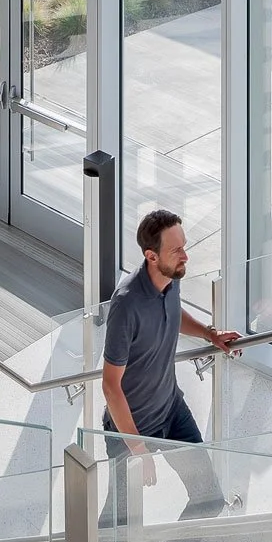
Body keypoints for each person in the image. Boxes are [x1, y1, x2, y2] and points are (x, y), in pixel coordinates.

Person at [102, 209, 241, 514]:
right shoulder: (126, 305)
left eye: (184, 246)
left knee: (208, 495)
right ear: (152, 256)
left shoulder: (171, 279)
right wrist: (137, 449)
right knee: (120, 518)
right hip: (130, 429)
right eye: (177, 250)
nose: (185, 256)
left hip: (171, 411)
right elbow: (110, 386)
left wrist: (209, 333)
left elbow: (174, 315)